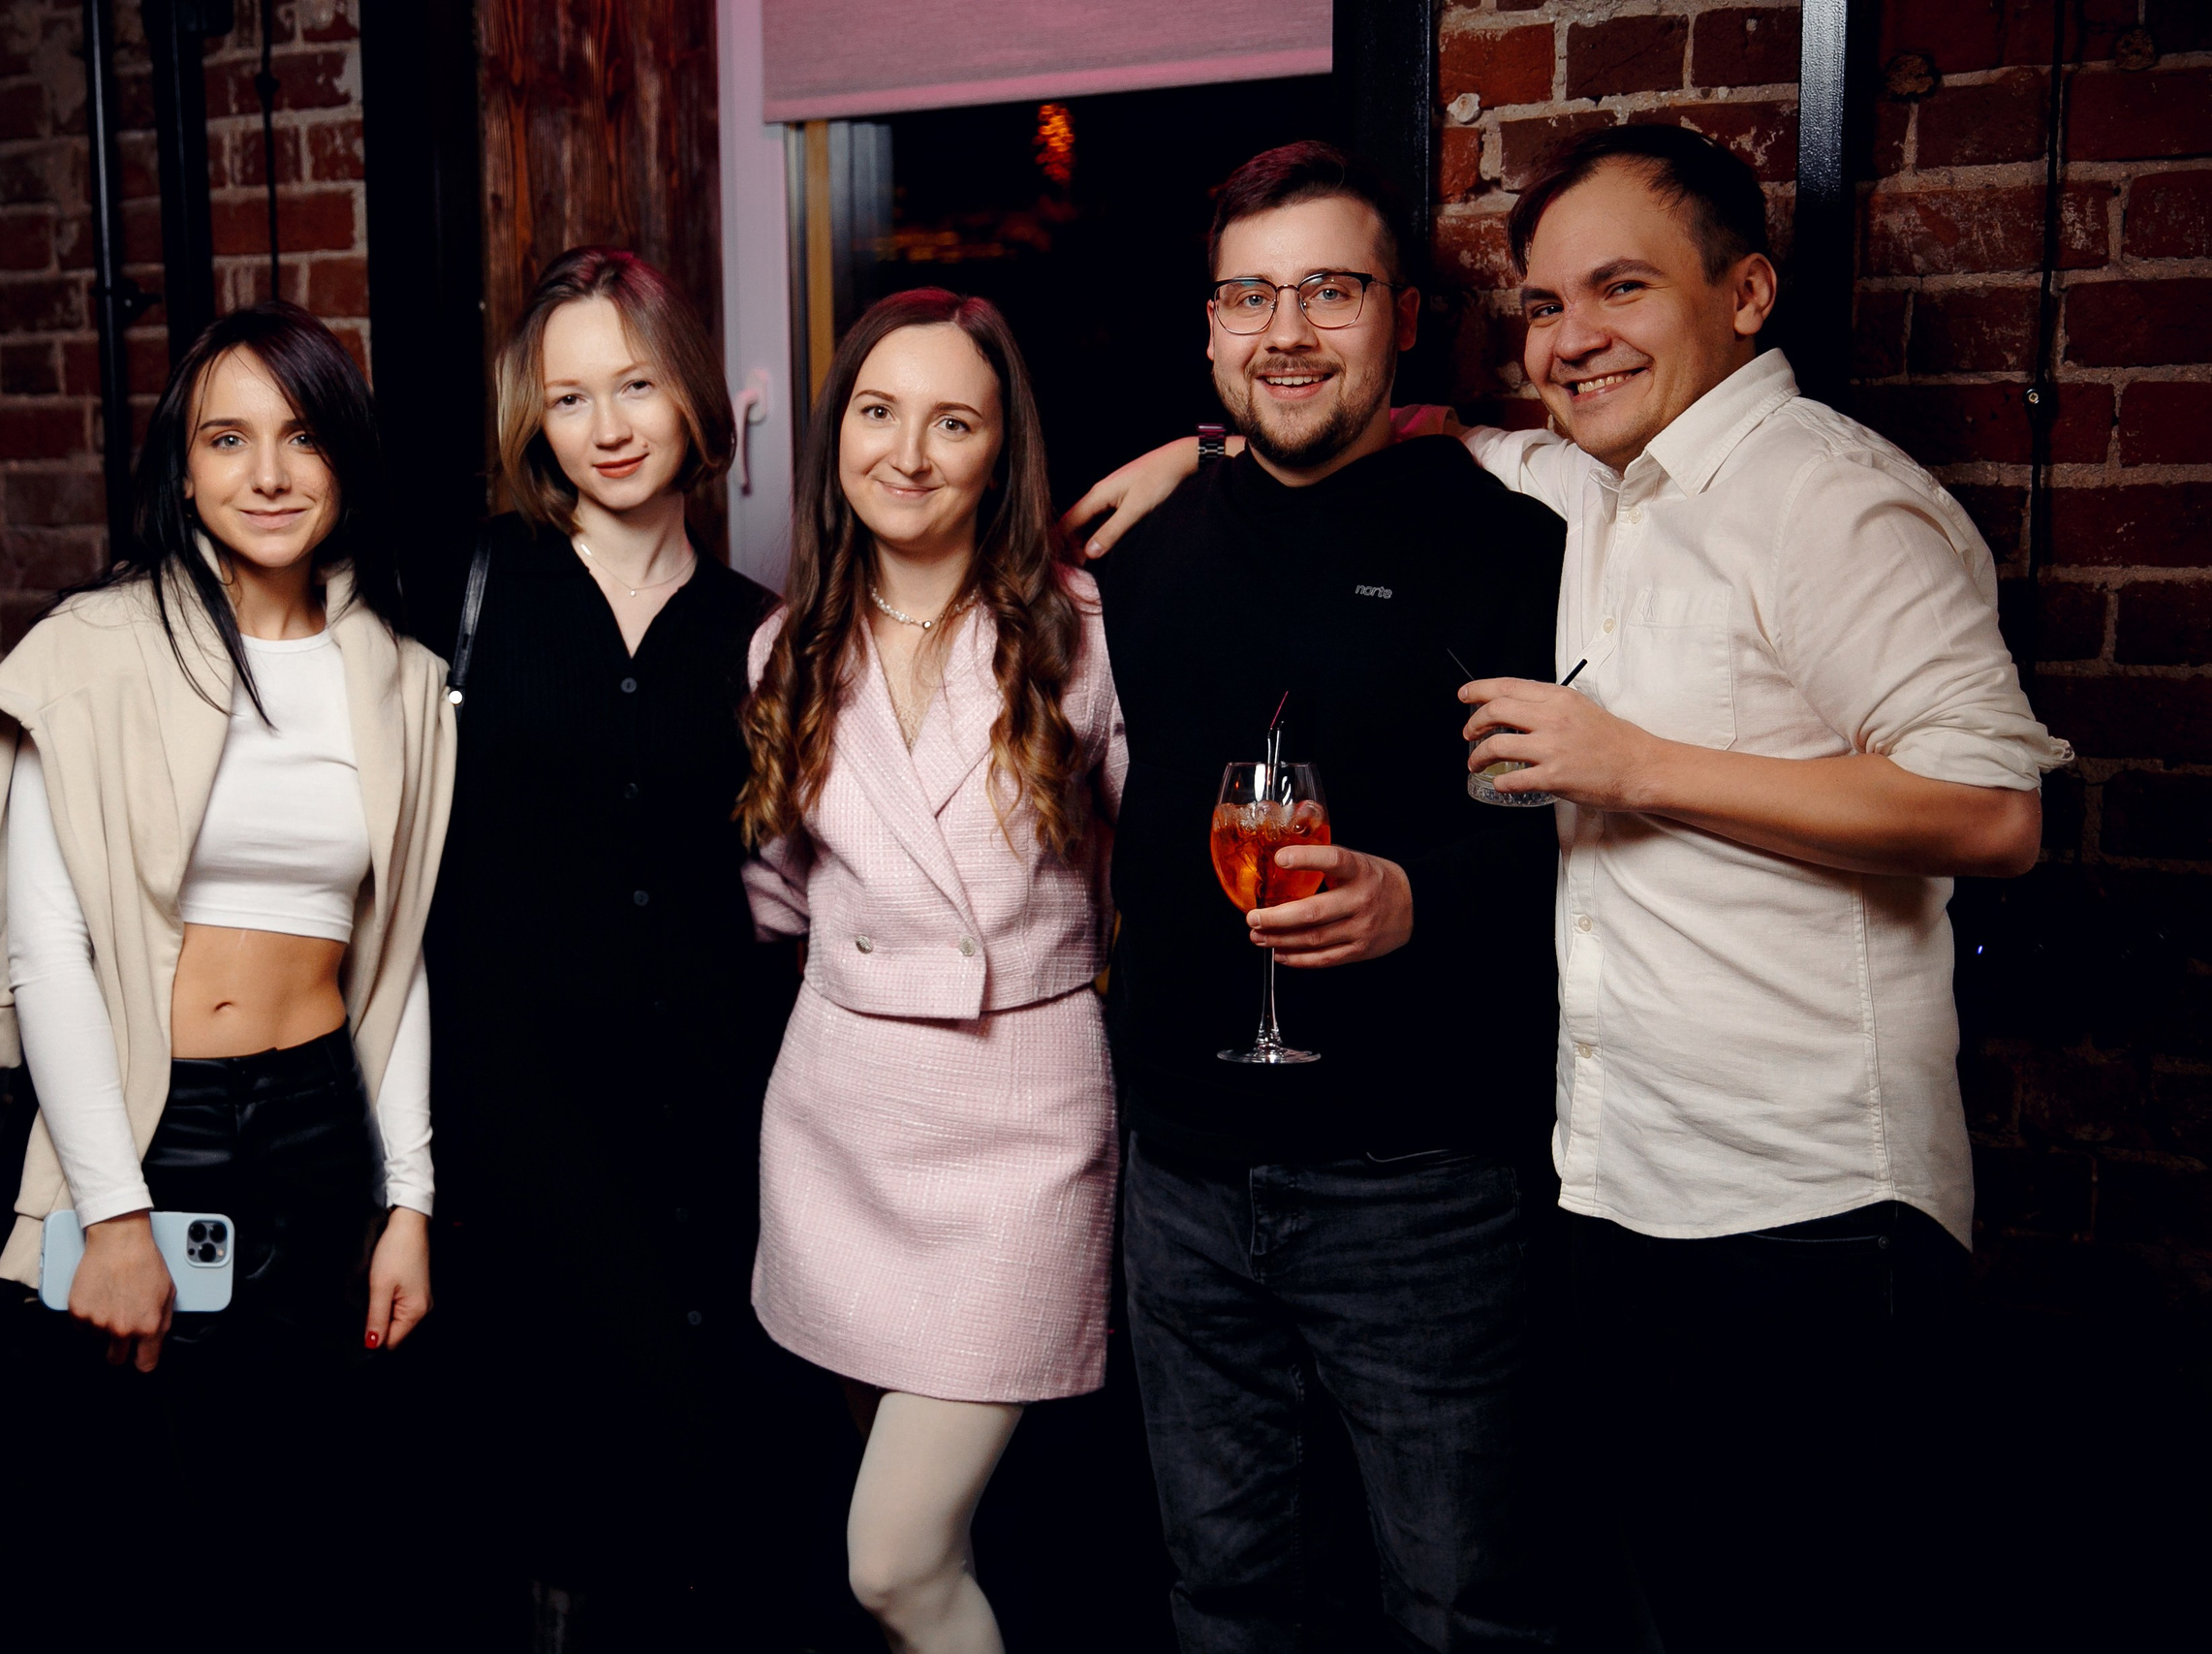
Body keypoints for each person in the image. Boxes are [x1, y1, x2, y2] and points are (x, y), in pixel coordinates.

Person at [1447, 125, 2066, 1650]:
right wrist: (1194, 456)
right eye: (1542, 306)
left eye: (1620, 289)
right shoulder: (1588, 479)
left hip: (1807, 1214)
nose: (1572, 336)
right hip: (1620, 1185)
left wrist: (1633, 764)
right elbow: (1410, 444)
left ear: (1747, 293)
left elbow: (1992, 814)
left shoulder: (1827, 498)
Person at [1070, 142, 1565, 1651]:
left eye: (1328, 291)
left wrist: (1425, 897)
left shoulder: (1513, 544)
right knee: (1226, 1594)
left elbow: (1598, 836)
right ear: (1210, 328)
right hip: (1183, 1182)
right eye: (1249, 297)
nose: (1285, 332)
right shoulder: (1137, 544)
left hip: (1419, 1185)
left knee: (1462, 1604)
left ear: (1401, 315)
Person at [0, 300, 454, 1652]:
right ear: (185, 469)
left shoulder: (400, 684)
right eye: (228, 441)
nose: (269, 474)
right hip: (150, 1128)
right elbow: (46, 950)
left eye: (300, 437)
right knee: (143, 1527)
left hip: (316, 1129)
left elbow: (395, 963)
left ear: (345, 459)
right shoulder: (95, 654)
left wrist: (409, 1198)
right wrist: (112, 1213)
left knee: (308, 1523)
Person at [412, 247, 826, 1651]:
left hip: (710, 1117)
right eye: (571, 395)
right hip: (521, 1120)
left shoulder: (762, 638)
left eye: (636, 382)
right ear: (537, 420)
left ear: (692, 396)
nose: (609, 426)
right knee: (548, 1483)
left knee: (704, 1486)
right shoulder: (476, 588)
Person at [736, 288, 1126, 1654]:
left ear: (998, 449)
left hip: (1020, 1121)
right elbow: (780, 892)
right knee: (925, 1551)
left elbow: (1146, 877)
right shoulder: (785, 644)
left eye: (951, 420)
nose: (907, 452)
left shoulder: (1077, 626)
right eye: (877, 412)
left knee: (893, 1561)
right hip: (843, 1116)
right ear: (837, 432)